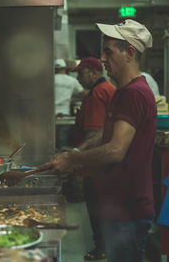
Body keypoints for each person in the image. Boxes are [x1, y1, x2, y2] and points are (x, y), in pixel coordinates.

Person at [42, 19, 156, 262]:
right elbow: (104, 136)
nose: (103, 59)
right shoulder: (122, 91)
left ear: (129, 53)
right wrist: (72, 153)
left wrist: (72, 159)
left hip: (128, 209)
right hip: (117, 206)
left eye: (109, 51)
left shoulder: (134, 93)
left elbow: (116, 150)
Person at [71, 57, 116, 260]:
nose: (78, 78)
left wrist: (77, 157)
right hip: (103, 163)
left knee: (96, 205)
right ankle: (105, 245)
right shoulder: (105, 89)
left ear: (94, 73)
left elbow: (94, 133)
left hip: (96, 165)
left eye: (81, 73)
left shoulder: (98, 93)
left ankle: (102, 248)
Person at [54, 59, 86, 151]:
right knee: (62, 141)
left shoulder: (50, 80)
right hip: (65, 114)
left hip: (51, 114)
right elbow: (83, 93)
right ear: (64, 69)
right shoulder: (72, 80)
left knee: (51, 142)